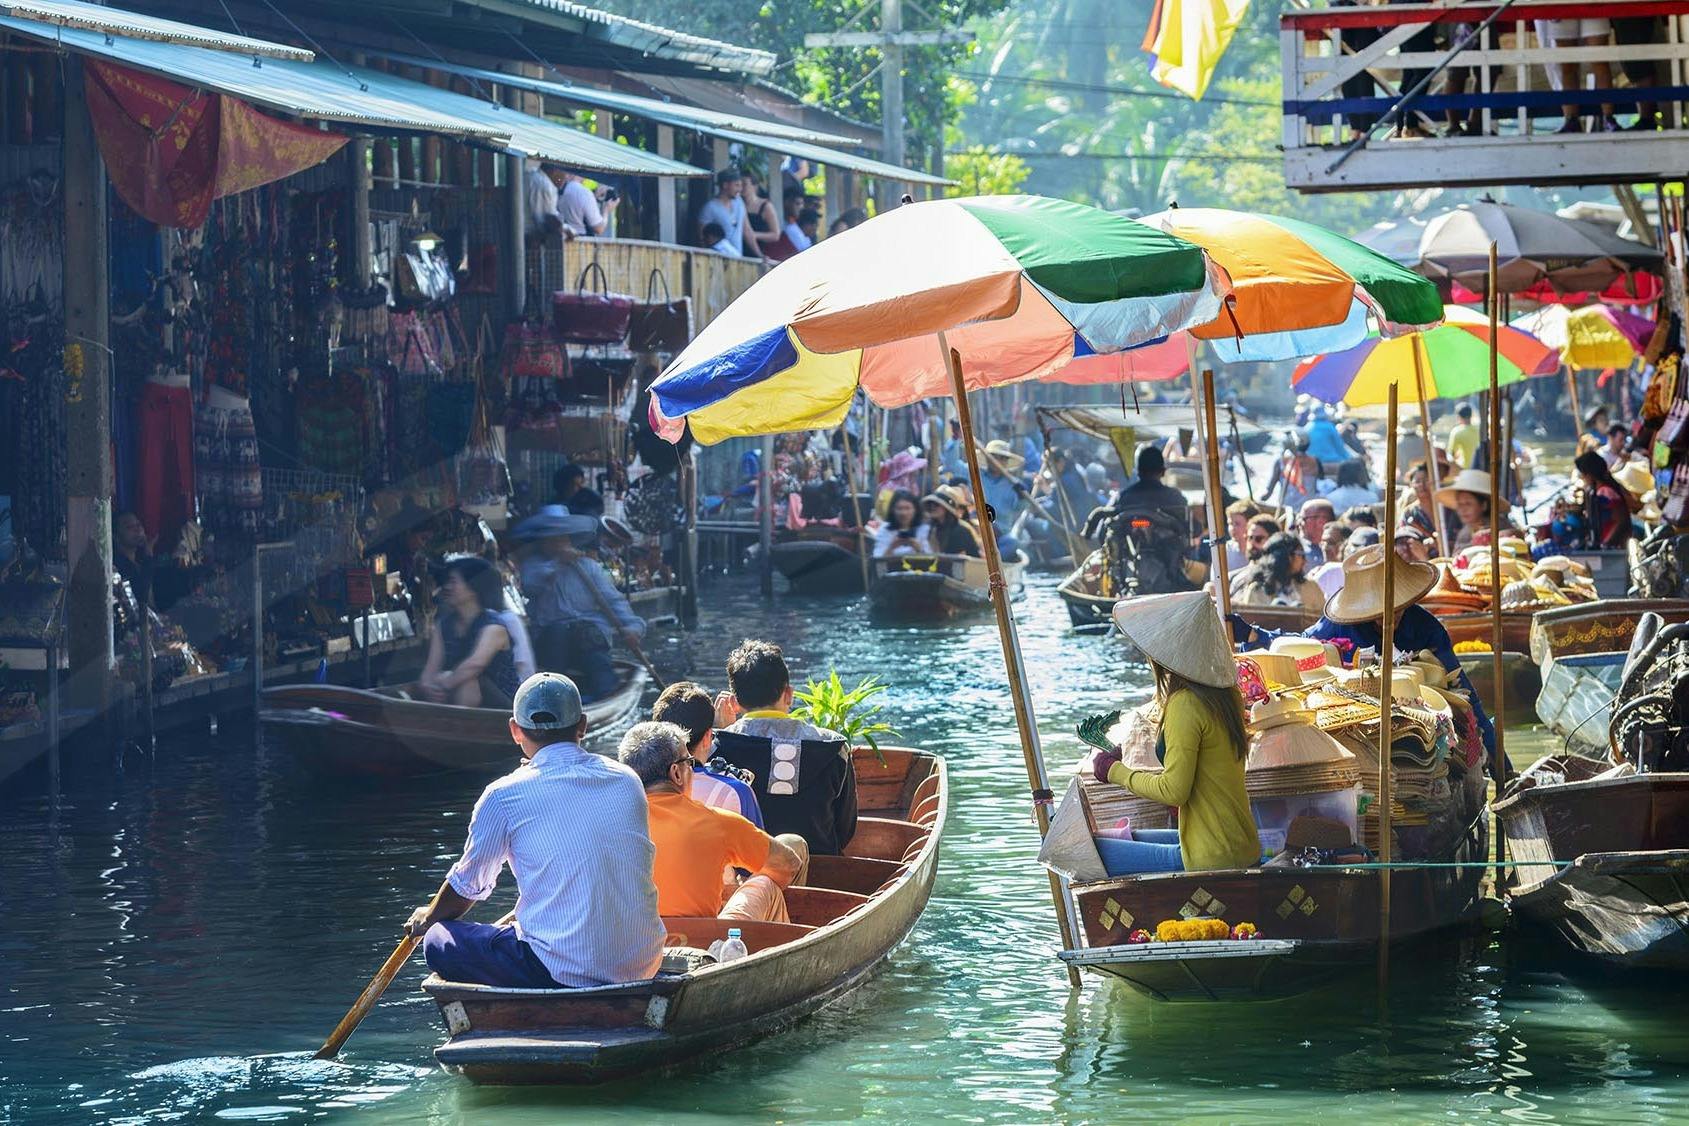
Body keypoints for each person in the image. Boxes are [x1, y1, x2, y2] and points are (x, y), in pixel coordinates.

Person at [406, 673, 664, 988]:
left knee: (438, 940)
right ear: (582, 725)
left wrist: (429, 917)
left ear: (516, 731)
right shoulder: (627, 779)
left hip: (561, 971)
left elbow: (468, 886)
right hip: (643, 962)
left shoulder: (503, 794)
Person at [1234, 545, 1497, 771]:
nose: (1388, 617)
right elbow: (1302, 645)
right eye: (1379, 611)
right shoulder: (1339, 625)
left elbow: (1461, 687)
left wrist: (1501, 764)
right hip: (1357, 725)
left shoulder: (1426, 627)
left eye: (1396, 608)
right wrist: (1254, 635)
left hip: (1420, 725)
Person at [1084, 592, 1261, 874]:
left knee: (1088, 849)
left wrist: (1114, 771)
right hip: (1238, 844)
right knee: (1111, 839)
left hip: (1212, 858)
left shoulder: (1185, 703)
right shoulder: (1227, 695)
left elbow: (1174, 791)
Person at [620, 721, 809, 923]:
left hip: (633, 944)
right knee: (776, 870)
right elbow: (788, 865)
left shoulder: (609, 825)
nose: (692, 771)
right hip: (704, 943)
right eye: (690, 763)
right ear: (676, 773)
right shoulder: (717, 822)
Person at [713, 640, 857, 857]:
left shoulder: (718, 747)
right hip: (822, 867)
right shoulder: (833, 747)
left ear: (734, 702)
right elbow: (845, 827)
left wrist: (722, 732)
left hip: (747, 874)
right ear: (789, 694)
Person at [514, 507, 645, 701]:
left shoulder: (588, 567)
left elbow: (613, 601)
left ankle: (606, 693)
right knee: (559, 631)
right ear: (543, 541)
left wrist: (633, 627)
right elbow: (531, 585)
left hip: (588, 641)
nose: (556, 542)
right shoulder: (533, 566)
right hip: (550, 641)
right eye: (551, 538)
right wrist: (557, 562)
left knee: (588, 633)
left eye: (560, 537)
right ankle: (553, 696)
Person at [651, 681, 763, 826]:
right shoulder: (736, 791)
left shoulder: (639, 790)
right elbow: (759, 847)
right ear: (707, 738)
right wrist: (726, 732)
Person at [419, 556, 518, 707]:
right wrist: (428, 686)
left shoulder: (494, 626)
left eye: (453, 582)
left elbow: (475, 664)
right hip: (461, 698)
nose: (447, 587)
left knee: (467, 680)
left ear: (473, 588)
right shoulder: (443, 625)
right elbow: (429, 671)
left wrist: (443, 685)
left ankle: (460, 729)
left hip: (504, 707)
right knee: (447, 677)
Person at [1236, 531, 1324, 612]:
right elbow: (1252, 623)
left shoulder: (1311, 588)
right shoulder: (1257, 591)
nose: (1305, 561)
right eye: (1301, 554)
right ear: (1285, 556)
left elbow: (1322, 621)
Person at [1435, 468, 1510, 550]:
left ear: (1484, 505)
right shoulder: (1464, 533)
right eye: (1460, 504)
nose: (1463, 509)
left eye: (1468, 503)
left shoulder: (1499, 527)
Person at [1575, 450, 1635, 548]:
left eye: (1584, 474)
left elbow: (1620, 520)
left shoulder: (1605, 492)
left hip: (1613, 545)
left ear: (1590, 474)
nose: (1583, 477)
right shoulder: (1595, 491)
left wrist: (1606, 543)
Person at [1114, 445, 1188, 523]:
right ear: (1163, 472)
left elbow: (1105, 524)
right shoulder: (1175, 497)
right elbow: (1194, 527)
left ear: (1138, 472)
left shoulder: (1124, 496)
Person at [697, 167, 750, 254]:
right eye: (736, 185)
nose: (740, 189)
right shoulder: (710, 208)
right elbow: (702, 238)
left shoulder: (739, 202)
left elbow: (747, 231)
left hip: (738, 258)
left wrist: (759, 255)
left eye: (741, 186)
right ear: (725, 185)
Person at [555, 167, 617, 237]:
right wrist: (606, 211)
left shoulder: (559, 188)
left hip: (562, 237)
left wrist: (594, 197)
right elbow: (599, 228)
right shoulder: (584, 193)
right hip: (581, 241)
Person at [922, 489, 982, 557]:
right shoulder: (930, 528)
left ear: (947, 508)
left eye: (936, 505)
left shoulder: (961, 530)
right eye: (930, 505)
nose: (932, 507)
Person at [872, 489, 932, 556]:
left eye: (907, 508)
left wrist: (918, 548)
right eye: (899, 508)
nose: (903, 513)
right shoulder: (885, 529)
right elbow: (877, 559)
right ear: (893, 510)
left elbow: (933, 559)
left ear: (915, 510)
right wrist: (892, 547)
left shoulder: (924, 529)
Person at [523, 160, 562, 242]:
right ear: (555, 170)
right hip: (530, 239)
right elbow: (544, 219)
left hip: (521, 235)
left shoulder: (530, 177)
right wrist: (564, 229)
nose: (564, 177)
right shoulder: (543, 184)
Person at [1297, 498, 1336, 568]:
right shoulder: (1295, 550)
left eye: (1304, 518)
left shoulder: (1340, 551)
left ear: (1321, 522)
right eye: (1298, 518)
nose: (1299, 523)